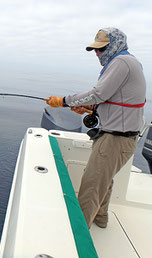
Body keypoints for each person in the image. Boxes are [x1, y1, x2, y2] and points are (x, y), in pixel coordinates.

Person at [45, 27, 146, 228]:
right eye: (96, 50)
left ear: (115, 45)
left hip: (116, 139)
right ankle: (100, 219)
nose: (98, 54)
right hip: (119, 137)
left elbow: (98, 93)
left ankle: (78, 236)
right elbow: (115, 101)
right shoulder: (128, 62)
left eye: (101, 49)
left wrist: (64, 101)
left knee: (92, 186)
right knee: (103, 181)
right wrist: (89, 108)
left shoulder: (122, 61)